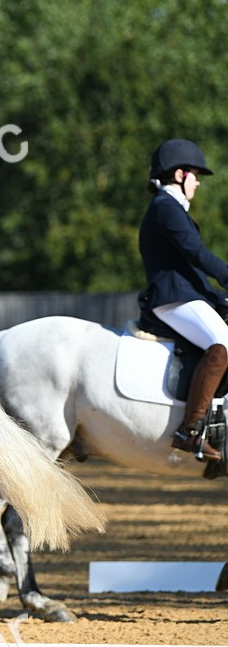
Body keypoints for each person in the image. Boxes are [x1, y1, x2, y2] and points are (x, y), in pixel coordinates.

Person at [138, 138, 225, 459]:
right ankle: (191, 429)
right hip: (172, 298)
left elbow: (191, 268)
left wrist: (218, 298)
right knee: (223, 344)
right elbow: (198, 254)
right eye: (195, 175)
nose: (199, 182)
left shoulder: (172, 209)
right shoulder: (166, 208)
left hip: (185, 294)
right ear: (179, 175)